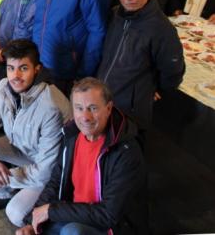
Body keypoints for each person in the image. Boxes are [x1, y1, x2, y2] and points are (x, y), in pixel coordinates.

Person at [16, 78, 147, 235]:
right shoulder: (72, 137)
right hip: (76, 215)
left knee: (72, 231)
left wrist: (52, 211)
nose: (85, 117)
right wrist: (32, 221)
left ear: (108, 108)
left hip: (110, 227)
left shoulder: (126, 152)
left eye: (92, 108)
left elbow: (108, 215)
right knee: (24, 222)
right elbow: (55, 183)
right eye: (79, 108)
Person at [0, 39, 71, 224]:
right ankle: (1, 194)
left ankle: (24, 195)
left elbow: (46, 170)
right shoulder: (4, 87)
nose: (15, 76)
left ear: (37, 69)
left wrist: (9, 178)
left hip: (51, 168)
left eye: (23, 68)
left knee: (15, 214)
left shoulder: (51, 106)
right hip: (23, 149)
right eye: (10, 68)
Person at [97, 0, 184, 132]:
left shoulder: (161, 28)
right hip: (104, 96)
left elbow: (173, 69)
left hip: (131, 107)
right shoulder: (115, 15)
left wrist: (159, 89)